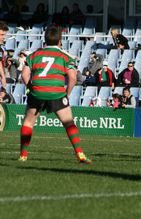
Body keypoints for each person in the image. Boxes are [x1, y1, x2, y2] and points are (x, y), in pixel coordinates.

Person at [18, 24, 91, 164]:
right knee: (69, 123)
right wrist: (66, 94)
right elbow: (73, 78)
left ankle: (23, 155)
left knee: (28, 122)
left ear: (44, 40)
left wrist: (30, 89)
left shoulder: (34, 55)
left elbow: (24, 74)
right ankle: (80, 154)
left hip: (37, 93)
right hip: (57, 93)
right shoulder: (65, 57)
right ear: (60, 41)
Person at [0, 21, 8, 91]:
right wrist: (3, 77)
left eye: (4, 35)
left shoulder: (2, 47)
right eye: (1, 35)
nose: (4, 37)